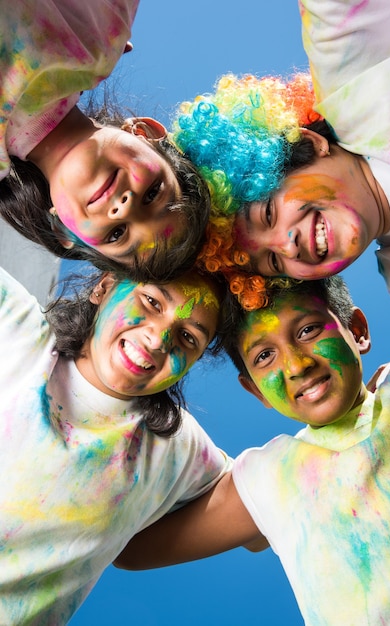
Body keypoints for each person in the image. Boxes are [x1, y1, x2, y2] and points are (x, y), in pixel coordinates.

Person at [113, 275, 390, 625]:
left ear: (357, 329)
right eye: (265, 356)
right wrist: (192, 448)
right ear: (255, 391)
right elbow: (129, 550)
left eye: (308, 331)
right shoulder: (269, 478)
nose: (296, 365)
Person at [0, 264, 230, 625]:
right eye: (151, 301)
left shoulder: (175, 450)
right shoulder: (13, 326)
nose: (157, 339)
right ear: (104, 287)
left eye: (188, 338)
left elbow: (265, 496)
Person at [171, 0, 390, 317]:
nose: (288, 247)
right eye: (274, 262)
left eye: (269, 213)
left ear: (308, 143)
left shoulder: (352, 71)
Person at [0, 0, 210, 282]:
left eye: (117, 233)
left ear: (64, 232)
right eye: (152, 194)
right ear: (144, 132)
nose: (125, 207)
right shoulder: (98, 31)